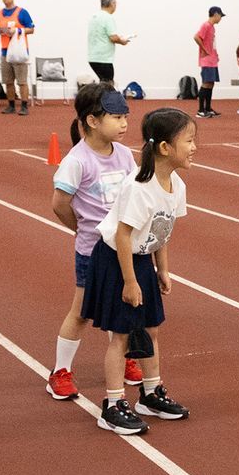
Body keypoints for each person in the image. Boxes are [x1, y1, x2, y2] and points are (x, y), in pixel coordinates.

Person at [84, 107, 196, 434]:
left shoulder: (176, 184)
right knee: (121, 335)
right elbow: (122, 235)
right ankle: (112, 404)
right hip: (117, 261)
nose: (194, 147)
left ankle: (150, 394)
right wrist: (130, 282)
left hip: (143, 260)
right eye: (188, 141)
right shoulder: (140, 186)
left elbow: (162, 230)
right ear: (165, 147)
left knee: (151, 328)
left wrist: (163, 270)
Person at [47, 83, 147, 404]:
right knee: (81, 313)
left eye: (125, 117)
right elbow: (60, 203)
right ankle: (60, 371)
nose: (124, 124)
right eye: (116, 118)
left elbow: (134, 194)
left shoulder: (124, 155)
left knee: (124, 307)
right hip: (92, 251)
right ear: (92, 121)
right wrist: (81, 230)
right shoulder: (77, 161)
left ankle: (124, 358)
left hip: (123, 249)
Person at [0, 0, 35, 116]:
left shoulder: (22, 12)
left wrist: (18, 30)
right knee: (8, 81)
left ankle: (24, 105)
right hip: (5, 52)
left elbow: (31, 29)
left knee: (22, 81)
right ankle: (11, 105)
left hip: (19, 51)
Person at [86, 0, 129, 85]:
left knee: (103, 84)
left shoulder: (94, 17)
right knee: (108, 85)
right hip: (104, 59)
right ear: (112, 3)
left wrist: (118, 38)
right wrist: (122, 41)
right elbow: (113, 38)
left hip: (93, 58)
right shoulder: (108, 18)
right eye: (115, 3)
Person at [193, 6, 224, 118]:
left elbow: (212, 43)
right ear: (216, 14)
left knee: (211, 83)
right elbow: (196, 37)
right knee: (206, 83)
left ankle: (208, 108)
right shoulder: (206, 25)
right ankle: (201, 110)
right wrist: (204, 50)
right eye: (220, 16)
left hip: (212, 60)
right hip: (207, 60)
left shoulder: (212, 27)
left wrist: (215, 54)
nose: (221, 18)